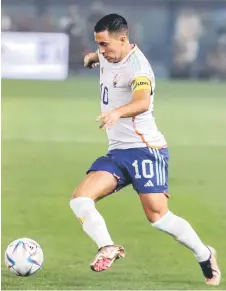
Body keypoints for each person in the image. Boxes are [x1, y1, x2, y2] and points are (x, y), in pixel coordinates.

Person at [69, 14, 221, 286]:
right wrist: (93, 58)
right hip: (117, 152)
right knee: (80, 199)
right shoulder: (109, 54)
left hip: (145, 150)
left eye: (104, 45)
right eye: (98, 45)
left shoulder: (139, 68)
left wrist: (117, 112)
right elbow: (102, 57)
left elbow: (141, 101)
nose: (102, 51)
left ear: (123, 39)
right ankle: (107, 246)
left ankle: (204, 253)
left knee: (158, 218)